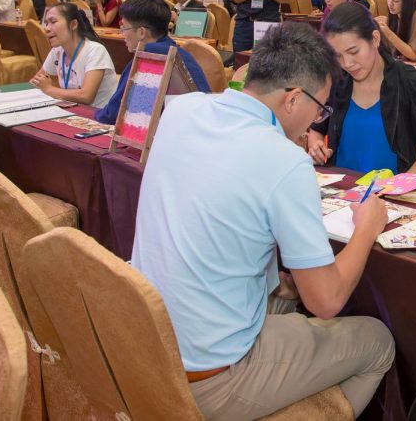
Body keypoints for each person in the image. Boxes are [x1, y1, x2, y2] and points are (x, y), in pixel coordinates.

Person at [132, 23, 395, 420]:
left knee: (287, 298)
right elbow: (326, 301)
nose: (316, 121)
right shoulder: (285, 162)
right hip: (209, 375)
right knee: (378, 341)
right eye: (319, 109)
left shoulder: (181, 110)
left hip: (146, 343)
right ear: (293, 99)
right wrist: (367, 227)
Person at [308, 2, 416, 176]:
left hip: (391, 190)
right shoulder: (336, 81)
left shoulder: (408, 81)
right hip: (341, 187)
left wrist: (402, 184)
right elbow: (317, 129)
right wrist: (316, 146)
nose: (347, 64)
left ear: (375, 39)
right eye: (338, 56)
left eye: (354, 51)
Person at [94, 0, 210, 125]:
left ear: (142, 32)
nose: (122, 33)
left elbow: (112, 114)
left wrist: (95, 113)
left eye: (124, 28)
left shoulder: (146, 59)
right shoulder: (183, 54)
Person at [30, 2, 118, 109]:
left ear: (73, 25)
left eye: (53, 22)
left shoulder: (95, 50)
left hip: (99, 113)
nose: (47, 28)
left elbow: (86, 96)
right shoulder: (57, 51)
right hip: (73, 110)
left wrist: (49, 89)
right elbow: (36, 82)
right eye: (46, 23)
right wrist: (40, 84)